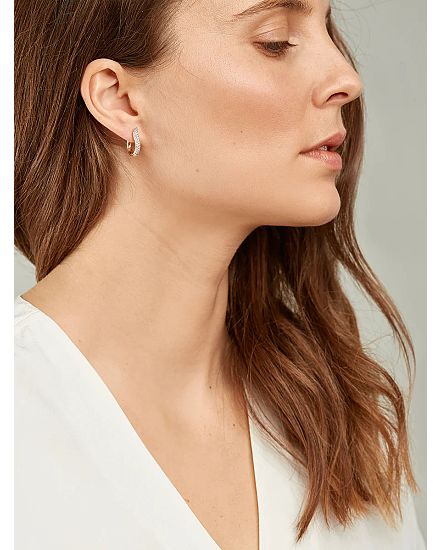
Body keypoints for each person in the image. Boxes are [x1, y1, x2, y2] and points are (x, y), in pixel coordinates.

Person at [14, 0, 425, 548]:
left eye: (327, 30)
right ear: (120, 99)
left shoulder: (343, 429)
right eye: (276, 41)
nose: (347, 79)